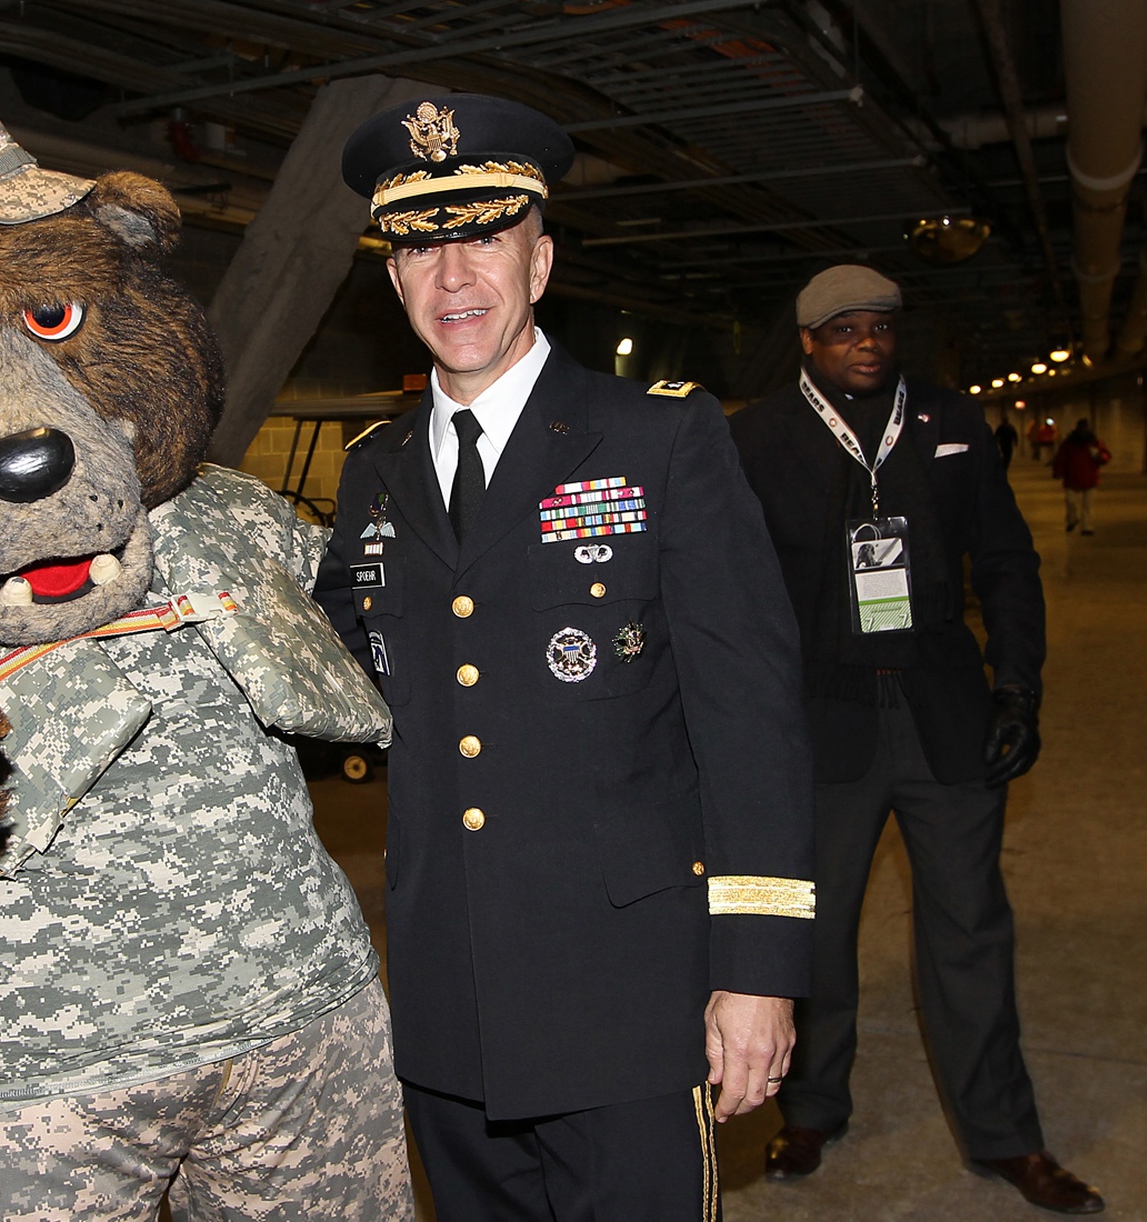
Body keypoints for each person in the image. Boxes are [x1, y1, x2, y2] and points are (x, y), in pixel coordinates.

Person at [314, 93, 816, 1221]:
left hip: (626, 992)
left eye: (483, 238)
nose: (453, 278)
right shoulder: (373, 467)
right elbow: (334, 674)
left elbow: (749, 718)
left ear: (538, 263)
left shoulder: (659, 437)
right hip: (448, 996)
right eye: (421, 247)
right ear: (390, 279)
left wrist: (758, 969)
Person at [729, 265, 1103, 1215]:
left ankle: (1006, 1137)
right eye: (843, 329)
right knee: (815, 939)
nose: (867, 342)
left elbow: (1009, 559)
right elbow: (732, 597)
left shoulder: (950, 422)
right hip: (821, 724)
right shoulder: (758, 438)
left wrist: (1018, 685)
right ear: (808, 342)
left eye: (881, 327)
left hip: (945, 717)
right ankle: (810, 1107)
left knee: (971, 931)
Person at [1052, 419, 1111, 534]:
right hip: (1072, 477)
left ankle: (1087, 526)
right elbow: (1061, 458)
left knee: (1088, 505)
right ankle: (1072, 519)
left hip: (1089, 477)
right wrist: (1058, 471)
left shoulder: (1095, 443)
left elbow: (1105, 455)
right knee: (1071, 501)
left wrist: (1099, 457)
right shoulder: (1069, 443)